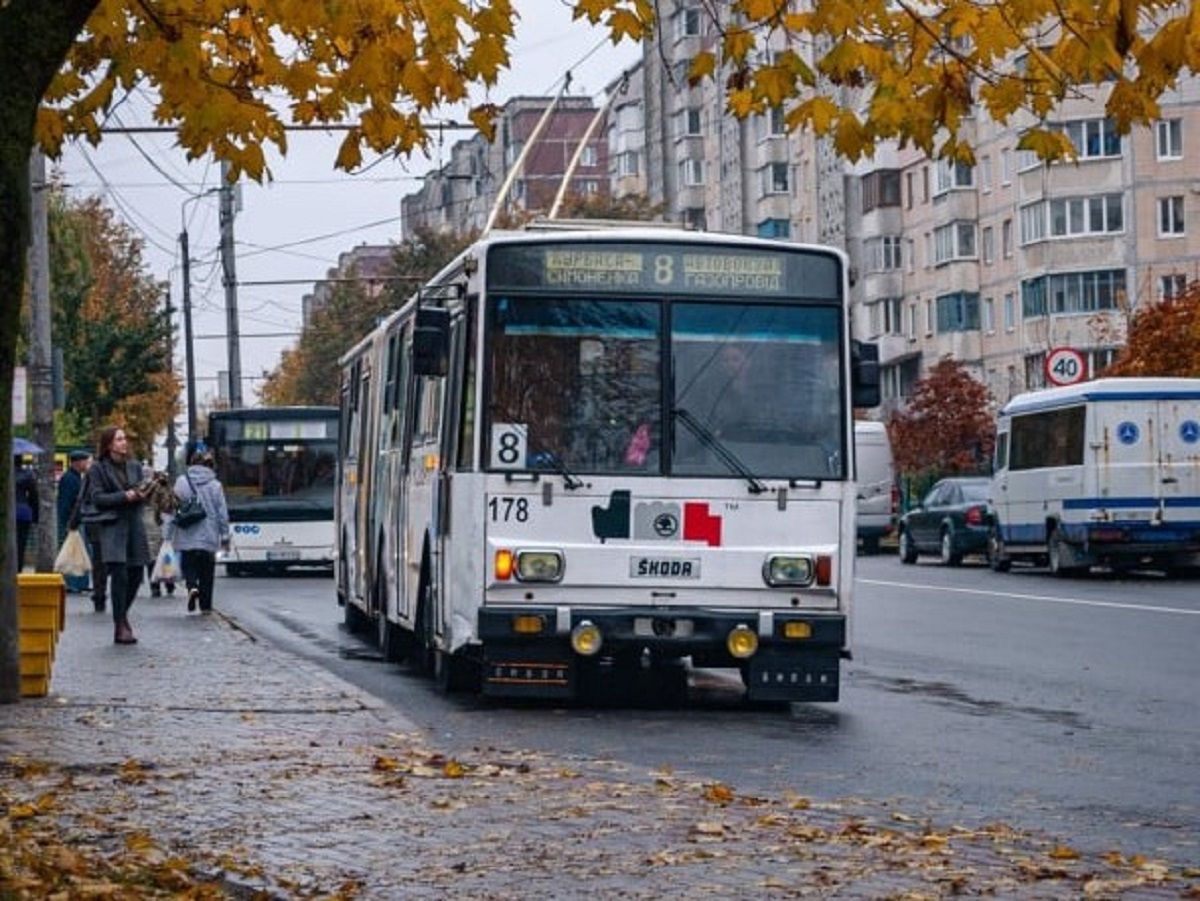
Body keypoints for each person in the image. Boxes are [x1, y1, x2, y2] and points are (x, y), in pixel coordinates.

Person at [88, 426, 151, 644]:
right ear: (109, 445)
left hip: (134, 525)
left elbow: (142, 491)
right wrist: (124, 496)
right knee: (120, 575)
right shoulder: (98, 469)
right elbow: (97, 498)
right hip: (113, 527)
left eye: (125, 438)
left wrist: (146, 492)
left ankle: (122, 615)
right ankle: (120, 625)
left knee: (136, 574)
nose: (124, 442)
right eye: (119, 439)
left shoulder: (134, 466)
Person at [169, 448, 229, 614]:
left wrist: (169, 532)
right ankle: (206, 607)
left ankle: (192, 587)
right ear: (211, 465)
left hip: (187, 532)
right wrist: (224, 535)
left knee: (188, 564)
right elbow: (222, 512)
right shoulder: (216, 485)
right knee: (207, 571)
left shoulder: (182, 481)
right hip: (209, 534)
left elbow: (174, 507)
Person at [57, 450, 92, 594]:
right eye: (86, 461)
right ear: (78, 462)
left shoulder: (75, 477)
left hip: (76, 519)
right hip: (74, 520)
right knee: (76, 552)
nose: (88, 464)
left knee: (79, 551)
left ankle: (78, 582)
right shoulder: (71, 479)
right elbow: (66, 502)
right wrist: (67, 522)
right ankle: (74, 583)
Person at [14, 460, 38, 571]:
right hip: (23, 512)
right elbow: (34, 497)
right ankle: (18, 570)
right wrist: (35, 516)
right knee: (21, 544)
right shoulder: (27, 475)